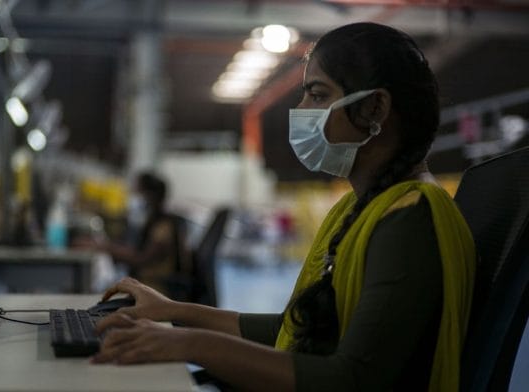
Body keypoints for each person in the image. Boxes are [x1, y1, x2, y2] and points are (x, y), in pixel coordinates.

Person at [90, 22, 476, 391]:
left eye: (319, 94)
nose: (303, 108)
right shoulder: (361, 209)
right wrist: (174, 312)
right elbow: (295, 328)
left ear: (375, 109)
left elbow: (351, 382)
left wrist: (186, 344)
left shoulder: (408, 219)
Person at [77, 172, 192, 299]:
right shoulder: (150, 220)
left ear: (150, 195)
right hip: (143, 283)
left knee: (95, 293)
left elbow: (142, 259)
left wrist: (103, 247)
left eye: (137, 191)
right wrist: (105, 245)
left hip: (155, 288)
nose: (133, 195)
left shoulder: (163, 226)